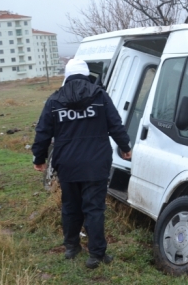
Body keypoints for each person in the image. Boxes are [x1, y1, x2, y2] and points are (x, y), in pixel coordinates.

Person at [32, 58, 132, 269]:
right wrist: (125, 147)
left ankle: (72, 247)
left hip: (67, 164)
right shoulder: (99, 96)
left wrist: (39, 158)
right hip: (96, 163)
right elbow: (115, 124)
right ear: (87, 75)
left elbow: (43, 132)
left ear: (67, 76)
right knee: (94, 208)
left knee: (70, 206)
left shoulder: (55, 100)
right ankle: (96, 254)